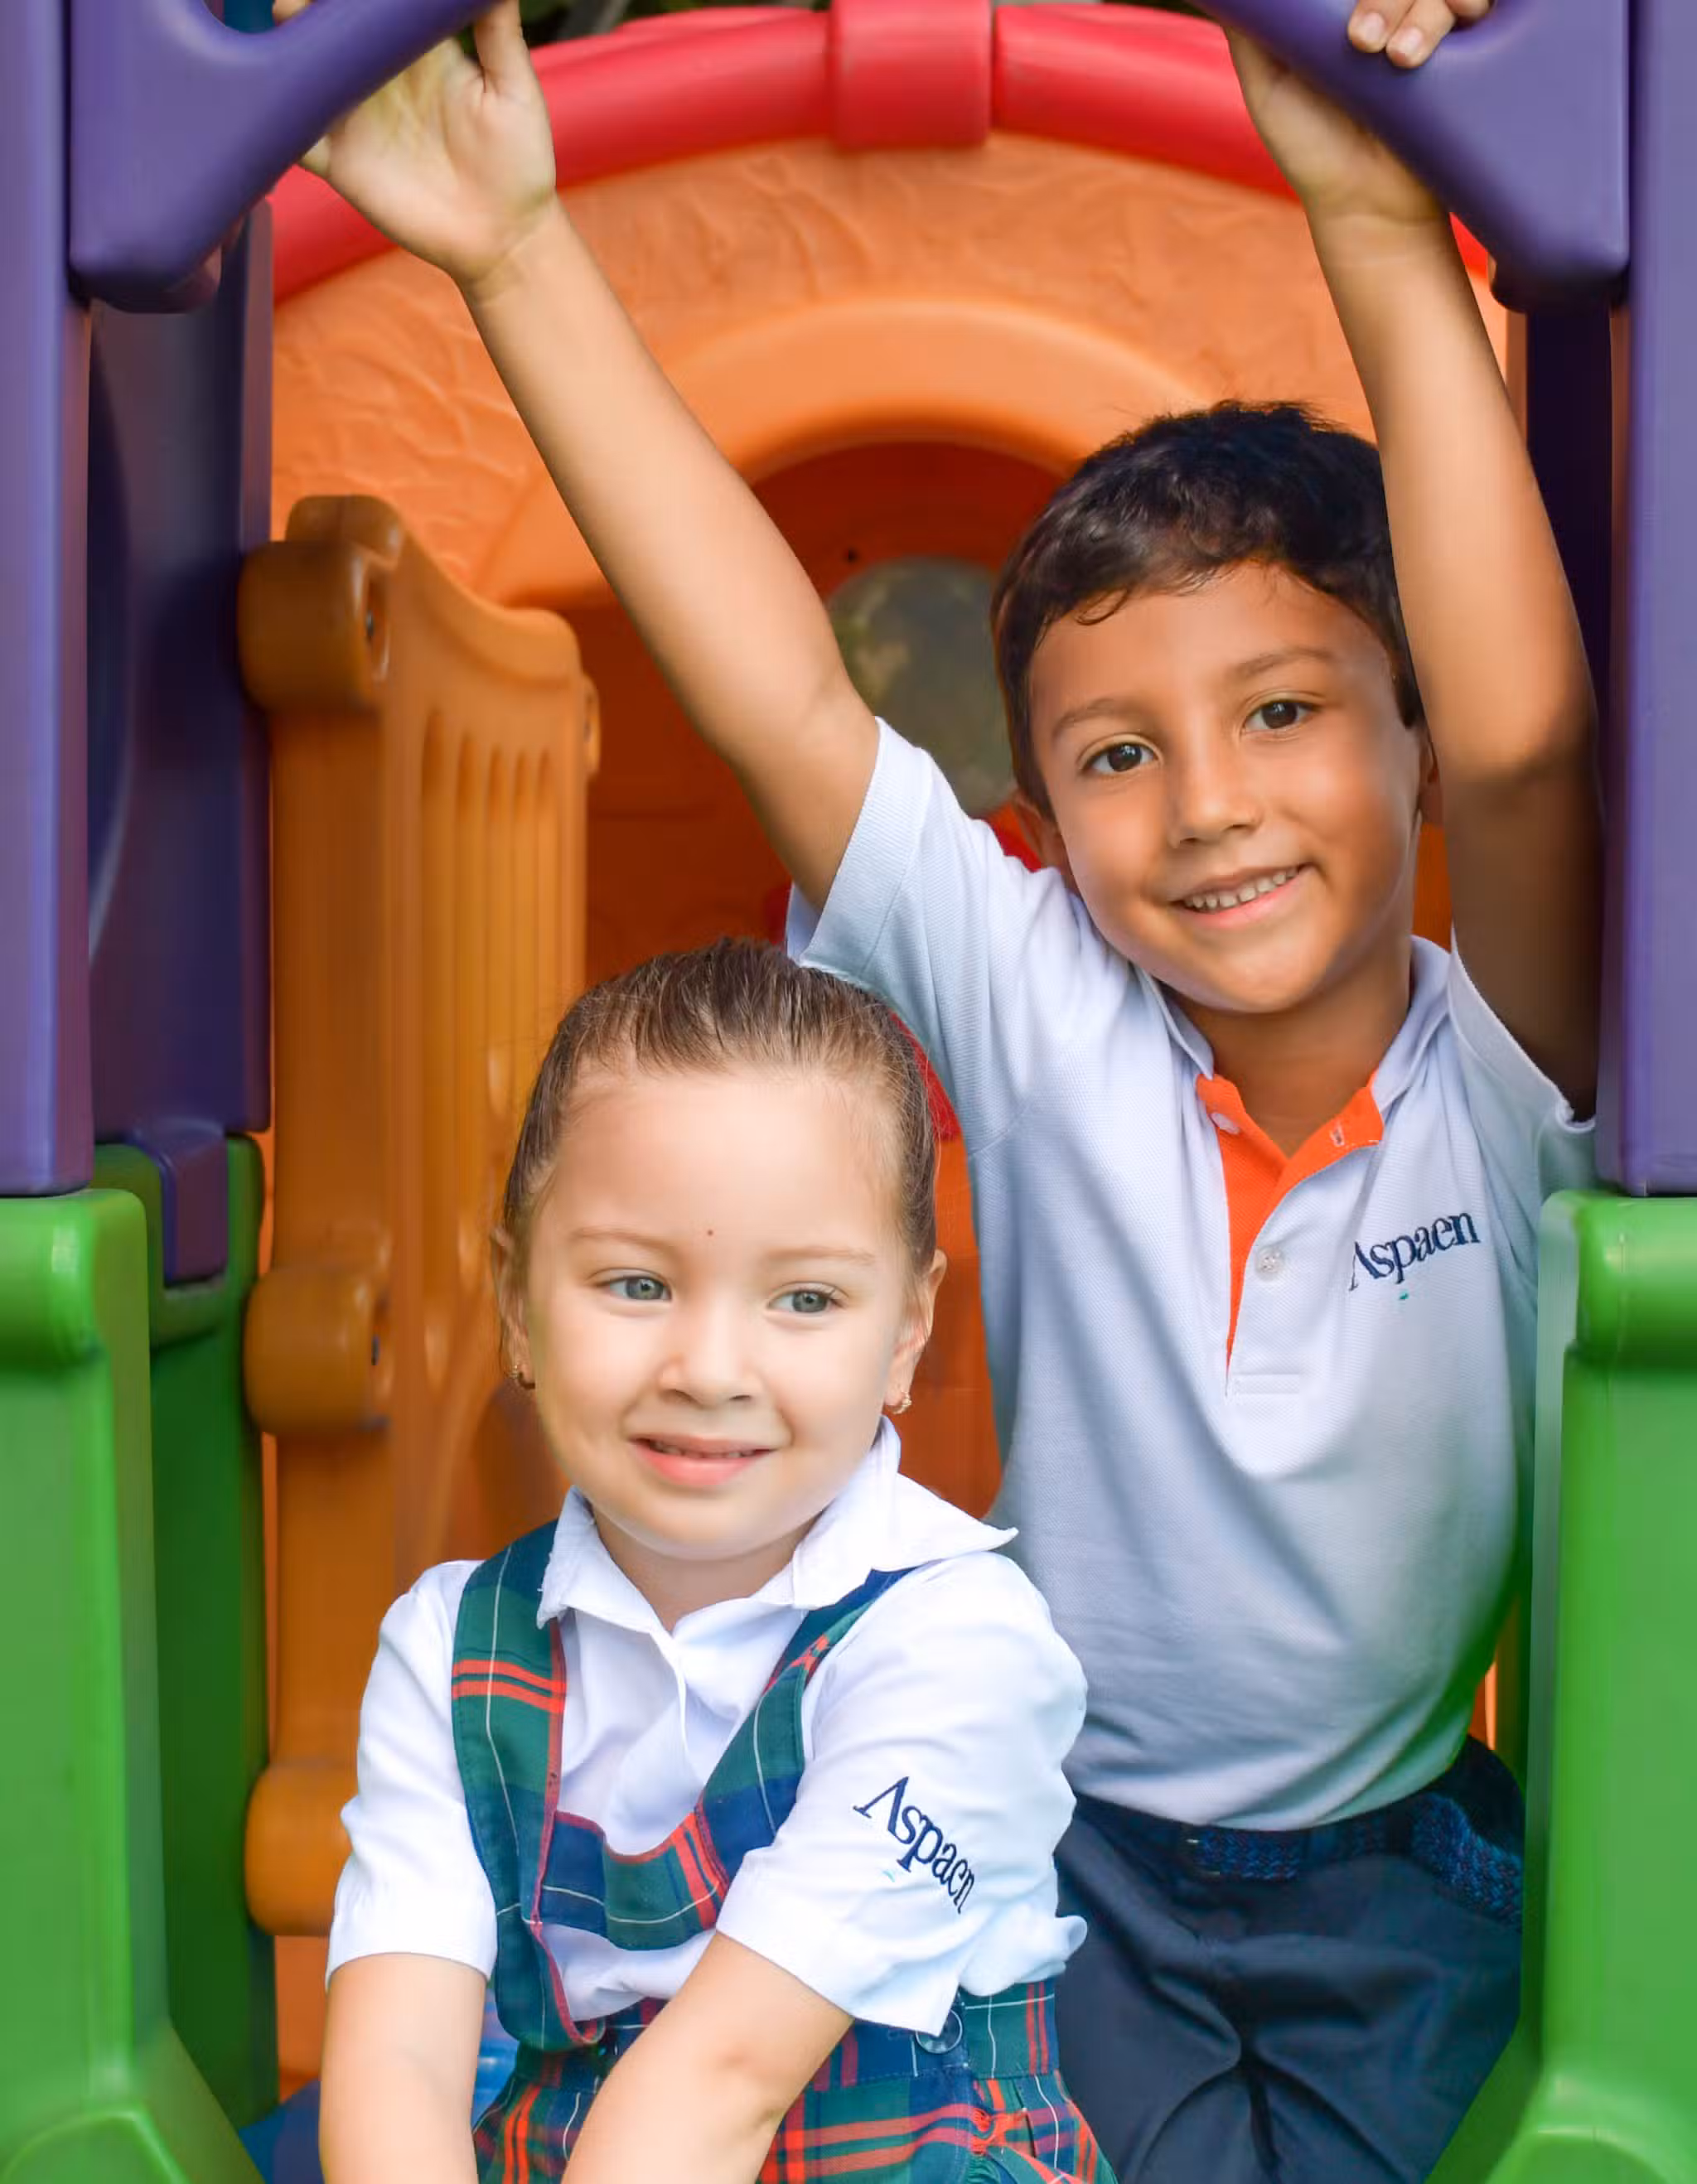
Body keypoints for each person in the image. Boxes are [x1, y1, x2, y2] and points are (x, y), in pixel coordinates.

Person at [294, 0, 1600, 2172]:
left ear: (1416, 740)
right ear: (1045, 818)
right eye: (1117, 754)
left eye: (1285, 712)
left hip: (1397, 1867)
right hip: (1046, 1830)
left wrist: (1375, 218)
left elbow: (1541, 741)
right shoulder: (1035, 991)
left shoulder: (1506, 1065)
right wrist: (511, 248)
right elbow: (785, 703)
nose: (1208, 803)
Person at [320, 940, 1110, 2183]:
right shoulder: (450, 1648)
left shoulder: (963, 1645)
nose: (710, 1369)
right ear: (517, 1300)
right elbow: (398, 2062)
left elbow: (724, 2079)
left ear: (909, 1328)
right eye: (637, 1284)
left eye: (805, 1300)